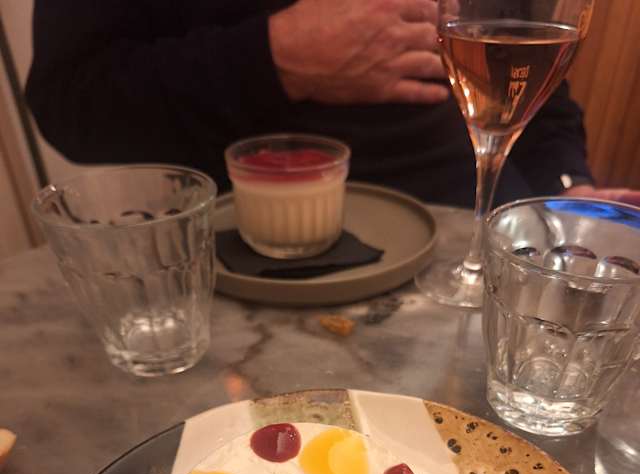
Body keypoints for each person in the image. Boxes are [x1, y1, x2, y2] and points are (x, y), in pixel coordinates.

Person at [26, 0, 639, 208]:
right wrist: (272, 58)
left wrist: (569, 186)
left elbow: (533, 76)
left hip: (493, 238)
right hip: (260, 265)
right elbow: (71, 105)